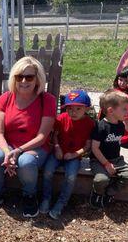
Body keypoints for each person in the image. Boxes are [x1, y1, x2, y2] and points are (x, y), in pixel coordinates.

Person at [0, 56, 56, 217]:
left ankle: (29, 195)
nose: (24, 81)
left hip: (36, 146)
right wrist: (8, 151)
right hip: (9, 143)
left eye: (29, 76)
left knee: (26, 162)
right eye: (19, 76)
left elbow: (42, 136)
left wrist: (19, 151)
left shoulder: (47, 100)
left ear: (37, 79)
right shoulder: (5, 98)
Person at [40, 90, 95, 219]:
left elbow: (87, 146)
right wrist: (57, 148)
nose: (73, 112)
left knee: (70, 177)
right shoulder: (61, 118)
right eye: (69, 109)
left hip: (74, 156)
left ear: (86, 108)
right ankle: (46, 198)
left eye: (78, 109)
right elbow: (55, 136)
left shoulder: (90, 124)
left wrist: (74, 154)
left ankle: (61, 203)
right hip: (58, 153)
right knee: (47, 171)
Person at [90, 90, 128, 208]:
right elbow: (94, 148)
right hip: (99, 161)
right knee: (101, 180)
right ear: (111, 111)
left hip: (116, 159)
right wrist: (106, 164)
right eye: (124, 109)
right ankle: (97, 192)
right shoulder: (101, 127)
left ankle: (110, 192)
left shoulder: (120, 125)